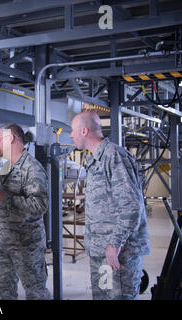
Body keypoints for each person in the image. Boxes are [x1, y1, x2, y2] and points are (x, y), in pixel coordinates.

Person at [70, 111, 150, 300]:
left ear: (84, 131)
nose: (71, 136)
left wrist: (114, 244)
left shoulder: (114, 156)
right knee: (102, 296)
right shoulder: (95, 160)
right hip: (100, 252)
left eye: (73, 131)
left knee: (119, 297)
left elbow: (131, 206)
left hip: (118, 255)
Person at [0, 123, 50, 300]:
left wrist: (7, 198)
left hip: (27, 247)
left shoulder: (32, 168)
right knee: (4, 292)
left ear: (10, 138)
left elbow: (40, 205)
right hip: (3, 244)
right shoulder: (5, 167)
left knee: (36, 293)